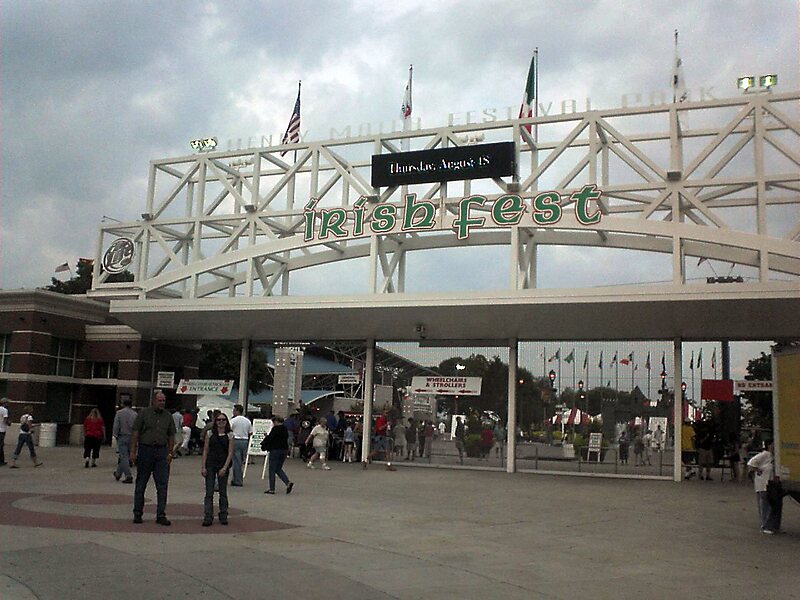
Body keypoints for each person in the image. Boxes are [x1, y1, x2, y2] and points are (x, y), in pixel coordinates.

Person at [130, 391, 176, 526]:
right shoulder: (144, 413)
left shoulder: (168, 416)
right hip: (145, 450)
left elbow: (171, 435)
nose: (162, 403)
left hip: (161, 452)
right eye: (159, 400)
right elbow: (135, 432)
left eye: (163, 401)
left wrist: (170, 453)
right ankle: (137, 513)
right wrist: (133, 451)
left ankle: (161, 514)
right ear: (153, 401)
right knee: (141, 483)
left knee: (162, 485)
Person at [201, 412, 234, 526]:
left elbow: (230, 452)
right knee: (209, 492)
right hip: (210, 464)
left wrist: (225, 467)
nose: (221, 422)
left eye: (223, 420)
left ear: (226, 422)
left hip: (222, 464)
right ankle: (208, 516)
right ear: (215, 421)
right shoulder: (210, 434)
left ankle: (223, 514)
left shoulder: (230, 435)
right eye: (219, 420)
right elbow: (205, 450)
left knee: (223, 492)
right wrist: (203, 466)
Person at [747, 440, 782, 535]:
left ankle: (772, 526)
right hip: (762, 484)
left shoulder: (774, 456)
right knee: (765, 506)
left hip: (770, 484)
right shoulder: (765, 455)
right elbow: (751, 463)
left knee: (771, 505)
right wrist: (757, 470)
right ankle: (764, 526)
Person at [262, 415, 294, 494]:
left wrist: (266, 437)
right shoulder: (285, 429)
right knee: (278, 468)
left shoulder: (275, 429)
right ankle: (287, 482)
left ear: (276, 421)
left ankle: (272, 488)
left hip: (275, 450)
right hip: (284, 450)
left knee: (272, 469)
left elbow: (271, 439)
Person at [112, 398, 137, 483]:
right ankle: (118, 473)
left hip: (122, 436)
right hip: (132, 437)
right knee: (126, 456)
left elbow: (116, 425)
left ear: (123, 404)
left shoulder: (119, 413)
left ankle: (128, 475)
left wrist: (115, 435)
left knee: (124, 456)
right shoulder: (135, 414)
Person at [229, 404, 252, 487]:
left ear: (237, 411)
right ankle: (238, 478)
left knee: (236, 461)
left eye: (234, 410)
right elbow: (250, 432)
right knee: (241, 461)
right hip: (244, 440)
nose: (233, 411)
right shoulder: (247, 421)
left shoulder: (233, 420)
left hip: (236, 440)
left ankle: (237, 480)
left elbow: (229, 429)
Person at [0, 397, 10, 466]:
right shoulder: (4, 410)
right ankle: (1, 461)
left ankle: (2, 460)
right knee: (1, 445)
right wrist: (9, 423)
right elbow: (5, 420)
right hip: (2, 429)